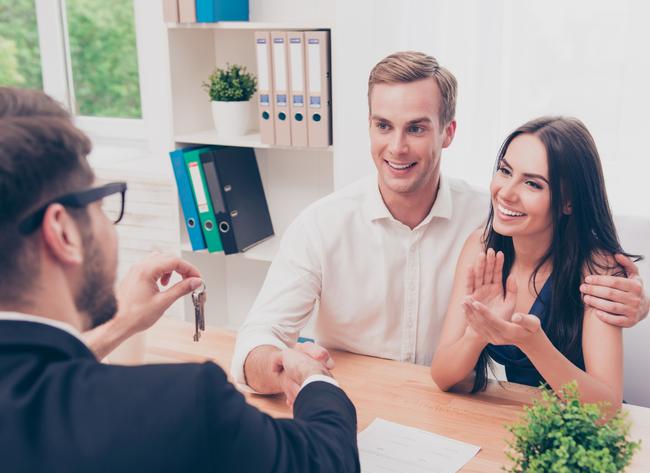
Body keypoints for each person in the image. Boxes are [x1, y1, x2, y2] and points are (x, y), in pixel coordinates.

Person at [232, 51, 649, 396]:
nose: (396, 147)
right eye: (383, 126)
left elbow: (603, 381)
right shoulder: (323, 225)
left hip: (472, 417)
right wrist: (284, 366)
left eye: (416, 128)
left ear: (447, 133)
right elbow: (259, 334)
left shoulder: (488, 223)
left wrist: (640, 305)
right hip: (362, 399)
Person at [0, 86, 360, 473]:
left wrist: (121, 323)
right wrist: (316, 382)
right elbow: (321, 468)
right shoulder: (180, 407)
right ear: (63, 232)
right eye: (101, 203)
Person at [430, 116, 641, 409]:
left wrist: (533, 343)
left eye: (532, 184)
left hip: (579, 435)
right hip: (517, 421)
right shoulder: (481, 246)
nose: (506, 192)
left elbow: (606, 408)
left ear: (568, 202)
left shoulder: (597, 268)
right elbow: (443, 375)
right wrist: (478, 333)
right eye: (505, 171)